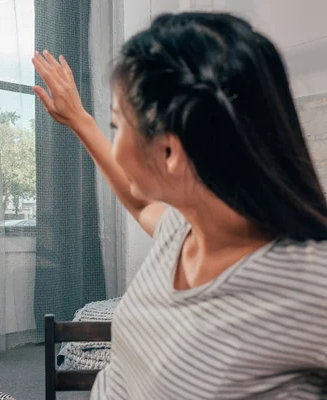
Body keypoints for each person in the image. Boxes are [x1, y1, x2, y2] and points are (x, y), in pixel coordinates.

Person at [33, 12, 327, 399]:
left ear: (170, 151)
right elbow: (139, 205)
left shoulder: (309, 283)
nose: (116, 141)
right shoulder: (183, 228)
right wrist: (80, 121)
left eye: (118, 126)